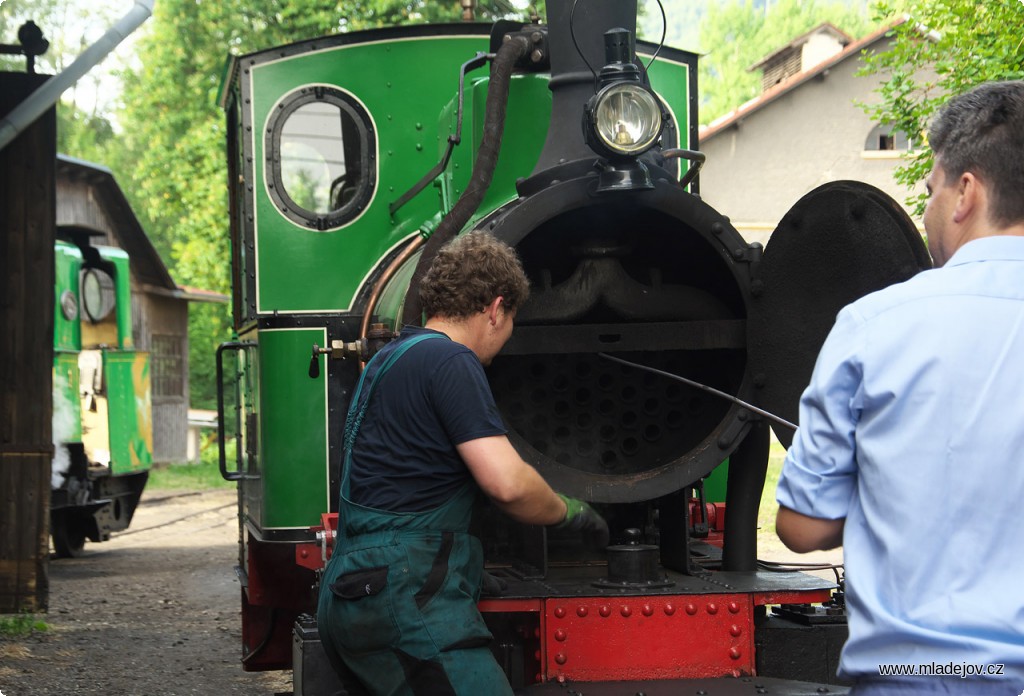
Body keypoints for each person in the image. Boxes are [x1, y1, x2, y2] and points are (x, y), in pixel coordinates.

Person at [775, 80, 1024, 695]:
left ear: (966, 191)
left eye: (931, 190)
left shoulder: (873, 326)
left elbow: (801, 528)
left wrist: (893, 488)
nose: (929, 210)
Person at [316, 231, 609, 696]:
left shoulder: (391, 358)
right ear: (495, 309)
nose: (507, 336)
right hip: (403, 601)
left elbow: (406, 485)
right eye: (511, 320)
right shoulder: (451, 360)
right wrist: (569, 511)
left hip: (353, 590)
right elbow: (508, 484)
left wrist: (466, 569)